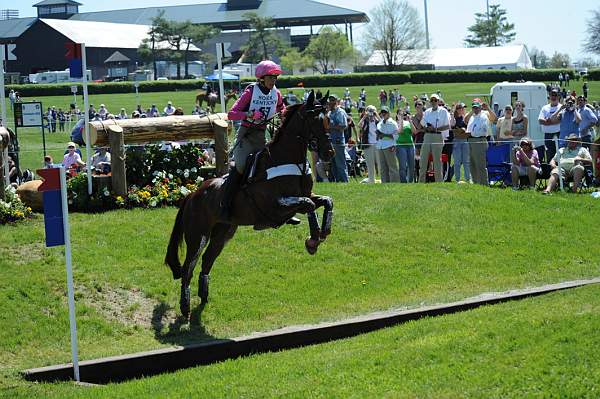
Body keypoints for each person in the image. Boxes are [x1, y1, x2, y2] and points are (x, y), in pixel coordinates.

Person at [224, 60, 286, 219]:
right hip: (247, 134)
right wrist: (249, 114)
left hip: (262, 133)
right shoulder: (251, 92)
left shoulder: (276, 93)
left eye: (275, 78)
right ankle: (225, 204)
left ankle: (282, 203)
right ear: (261, 78)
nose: (273, 80)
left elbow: (282, 109)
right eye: (270, 77)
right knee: (241, 167)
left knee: (273, 165)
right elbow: (232, 114)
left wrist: (284, 116)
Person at [419, 94, 448, 183]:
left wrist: (435, 129)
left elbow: (447, 126)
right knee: (423, 159)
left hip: (437, 136)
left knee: (437, 161)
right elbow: (422, 124)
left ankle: (439, 182)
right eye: (432, 100)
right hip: (427, 136)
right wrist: (427, 128)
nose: (433, 102)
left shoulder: (443, 111)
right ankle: (421, 182)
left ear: (438, 101)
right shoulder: (427, 111)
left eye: (435, 100)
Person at [466, 100, 490, 185]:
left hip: (479, 141)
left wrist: (471, 133)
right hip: (470, 141)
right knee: (472, 163)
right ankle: (475, 182)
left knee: (480, 164)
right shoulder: (472, 117)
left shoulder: (484, 117)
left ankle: (484, 183)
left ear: (480, 108)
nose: (475, 109)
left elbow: (484, 131)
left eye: (476, 107)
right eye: (473, 108)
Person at [326, 94, 349, 182]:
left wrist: (330, 127)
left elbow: (343, 126)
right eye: (330, 100)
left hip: (338, 141)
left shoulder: (340, 112)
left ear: (336, 102)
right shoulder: (329, 113)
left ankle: (345, 181)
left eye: (333, 100)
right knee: (333, 164)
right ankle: (337, 181)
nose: (330, 102)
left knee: (341, 164)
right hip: (331, 141)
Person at [375, 106, 399, 183]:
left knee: (392, 167)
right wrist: (378, 135)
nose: (383, 114)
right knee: (382, 167)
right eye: (382, 112)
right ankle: (384, 183)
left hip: (389, 146)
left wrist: (384, 135)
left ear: (389, 113)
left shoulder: (393, 123)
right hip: (380, 146)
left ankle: (394, 183)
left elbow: (396, 136)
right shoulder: (379, 123)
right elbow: (378, 135)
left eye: (385, 112)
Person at [538, 88, 562, 162]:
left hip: (559, 134)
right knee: (549, 155)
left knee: (559, 154)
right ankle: (550, 172)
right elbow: (540, 120)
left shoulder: (561, 107)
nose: (553, 97)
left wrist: (548, 121)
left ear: (558, 96)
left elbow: (559, 120)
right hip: (547, 135)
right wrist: (552, 121)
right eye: (552, 95)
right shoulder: (545, 108)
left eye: (555, 95)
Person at [358, 105, 380, 183]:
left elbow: (383, 126)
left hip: (378, 145)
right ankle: (371, 180)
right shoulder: (365, 121)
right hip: (368, 145)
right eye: (369, 111)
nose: (371, 113)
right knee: (370, 165)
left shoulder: (378, 121)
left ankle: (383, 179)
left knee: (380, 164)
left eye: (372, 111)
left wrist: (376, 115)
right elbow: (359, 125)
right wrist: (364, 117)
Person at [451, 102, 470, 183]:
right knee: (457, 161)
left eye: (463, 108)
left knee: (466, 161)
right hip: (457, 141)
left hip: (465, 140)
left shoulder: (465, 118)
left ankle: (467, 179)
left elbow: (468, 127)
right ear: (458, 110)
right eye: (461, 108)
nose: (463, 110)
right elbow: (452, 125)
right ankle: (457, 179)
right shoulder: (455, 118)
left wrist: (464, 130)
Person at [395, 109, 416, 183]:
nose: (402, 115)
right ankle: (403, 181)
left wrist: (410, 121)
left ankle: (410, 181)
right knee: (403, 166)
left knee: (411, 165)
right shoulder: (395, 123)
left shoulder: (408, 122)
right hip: (401, 146)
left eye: (403, 114)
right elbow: (400, 131)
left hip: (410, 145)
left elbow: (414, 131)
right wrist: (400, 120)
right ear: (397, 115)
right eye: (400, 114)